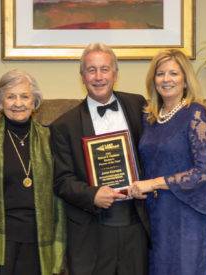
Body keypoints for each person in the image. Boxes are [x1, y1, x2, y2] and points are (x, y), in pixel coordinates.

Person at [50, 42, 150, 275]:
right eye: (91, 70)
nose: (98, 77)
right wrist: (92, 194)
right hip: (93, 230)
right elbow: (61, 181)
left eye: (104, 69)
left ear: (115, 74)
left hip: (136, 225)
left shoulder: (139, 106)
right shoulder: (64, 126)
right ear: (82, 76)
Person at [0, 69, 66, 275]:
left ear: (34, 102)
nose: (18, 103)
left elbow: (60, 194)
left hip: (39, 242)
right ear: (0, 103)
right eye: (10, 97)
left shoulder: (48, 141)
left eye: (24, 96)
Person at [128, 49, 206, 274]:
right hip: (155, 214)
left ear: (185, 80)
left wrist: (154, 183)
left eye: (174, 74)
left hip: (186, 214)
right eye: (160, 74)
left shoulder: (196, 114)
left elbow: (205, 172)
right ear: (153, 80)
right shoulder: (149, 118)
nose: (166, 79)